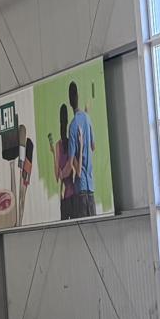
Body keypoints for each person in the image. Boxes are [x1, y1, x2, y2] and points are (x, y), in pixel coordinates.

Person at [67, 80, 97, 217]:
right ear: (78, 96)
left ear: (70, 102)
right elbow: (93, 147)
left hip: (80, 188)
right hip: (91, 186)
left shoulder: (72, 126)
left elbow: (71, 162)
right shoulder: (87, 118)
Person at [52, 102, 77, 219]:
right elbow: (71, 168)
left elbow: (57, 177)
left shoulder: (58, 145)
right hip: (73, 195)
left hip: (63, 196)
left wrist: (54, 155)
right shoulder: (71, 143)